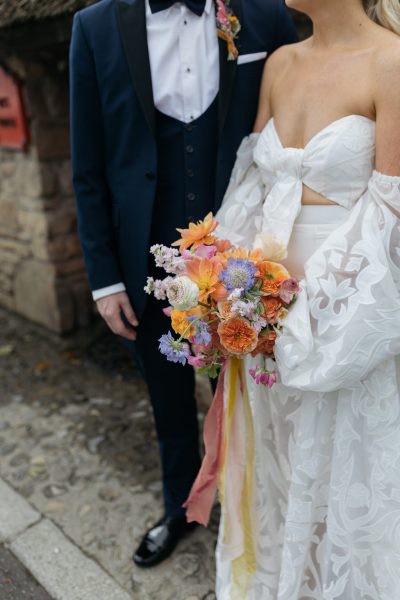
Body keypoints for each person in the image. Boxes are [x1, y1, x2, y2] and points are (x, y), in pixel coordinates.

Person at [69, 0, 297, 567]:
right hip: (142, 258)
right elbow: (88, 164)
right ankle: (179, 509)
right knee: (167, 398)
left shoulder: (263, 14)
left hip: (250, 257)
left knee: (266, 394)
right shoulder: (94, 27)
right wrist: (104, 280)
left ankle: (271, 510)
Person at [211, 0, 400, 597]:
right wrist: (225, 287)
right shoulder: (280, 63)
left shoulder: (391, 62)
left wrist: (308, 311)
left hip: (344, 317)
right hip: (262, 318)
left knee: (345, 470)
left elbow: (392, 209)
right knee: (283, 466)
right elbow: (250, 184)